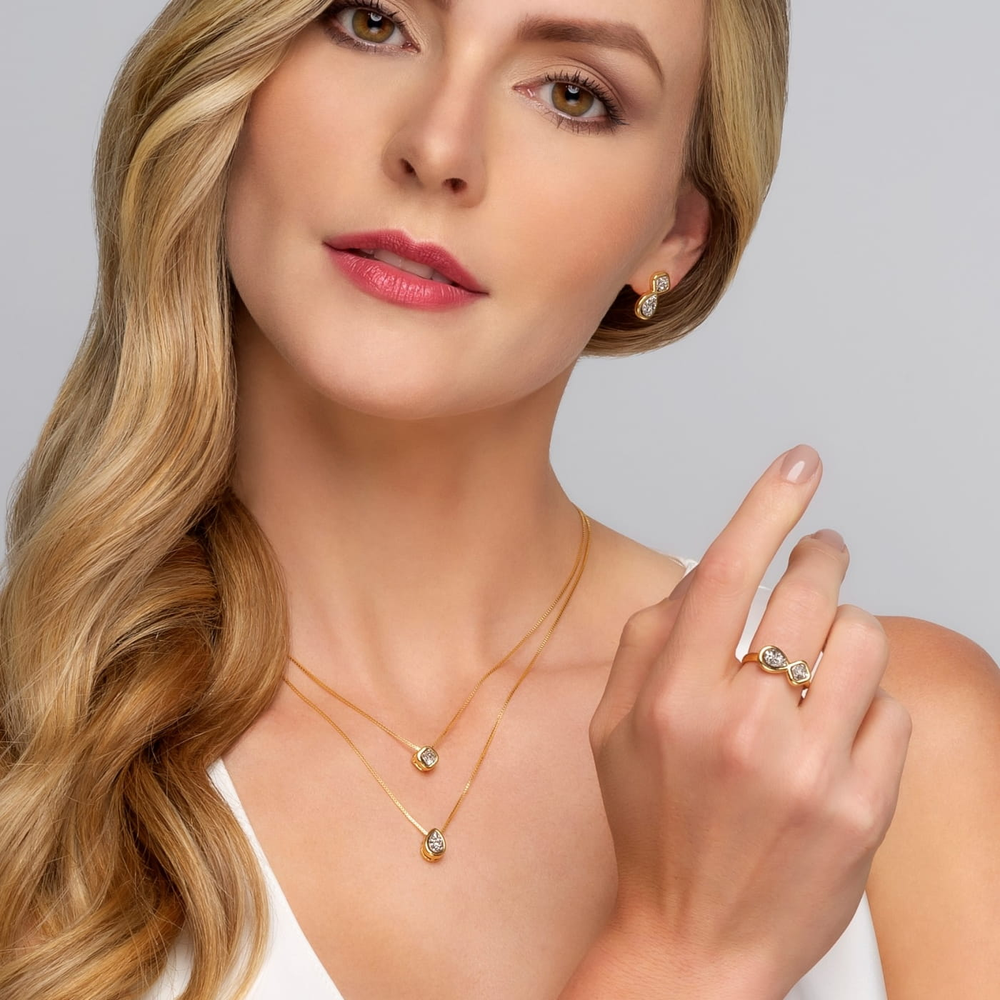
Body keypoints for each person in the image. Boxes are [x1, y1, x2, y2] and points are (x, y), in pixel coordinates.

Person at [1, 1, 997, 999]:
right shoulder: (29, 782)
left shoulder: (886, 749)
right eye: (373, 22)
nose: (438, 148)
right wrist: (690, 957)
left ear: (672, 238)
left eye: (572, 94)